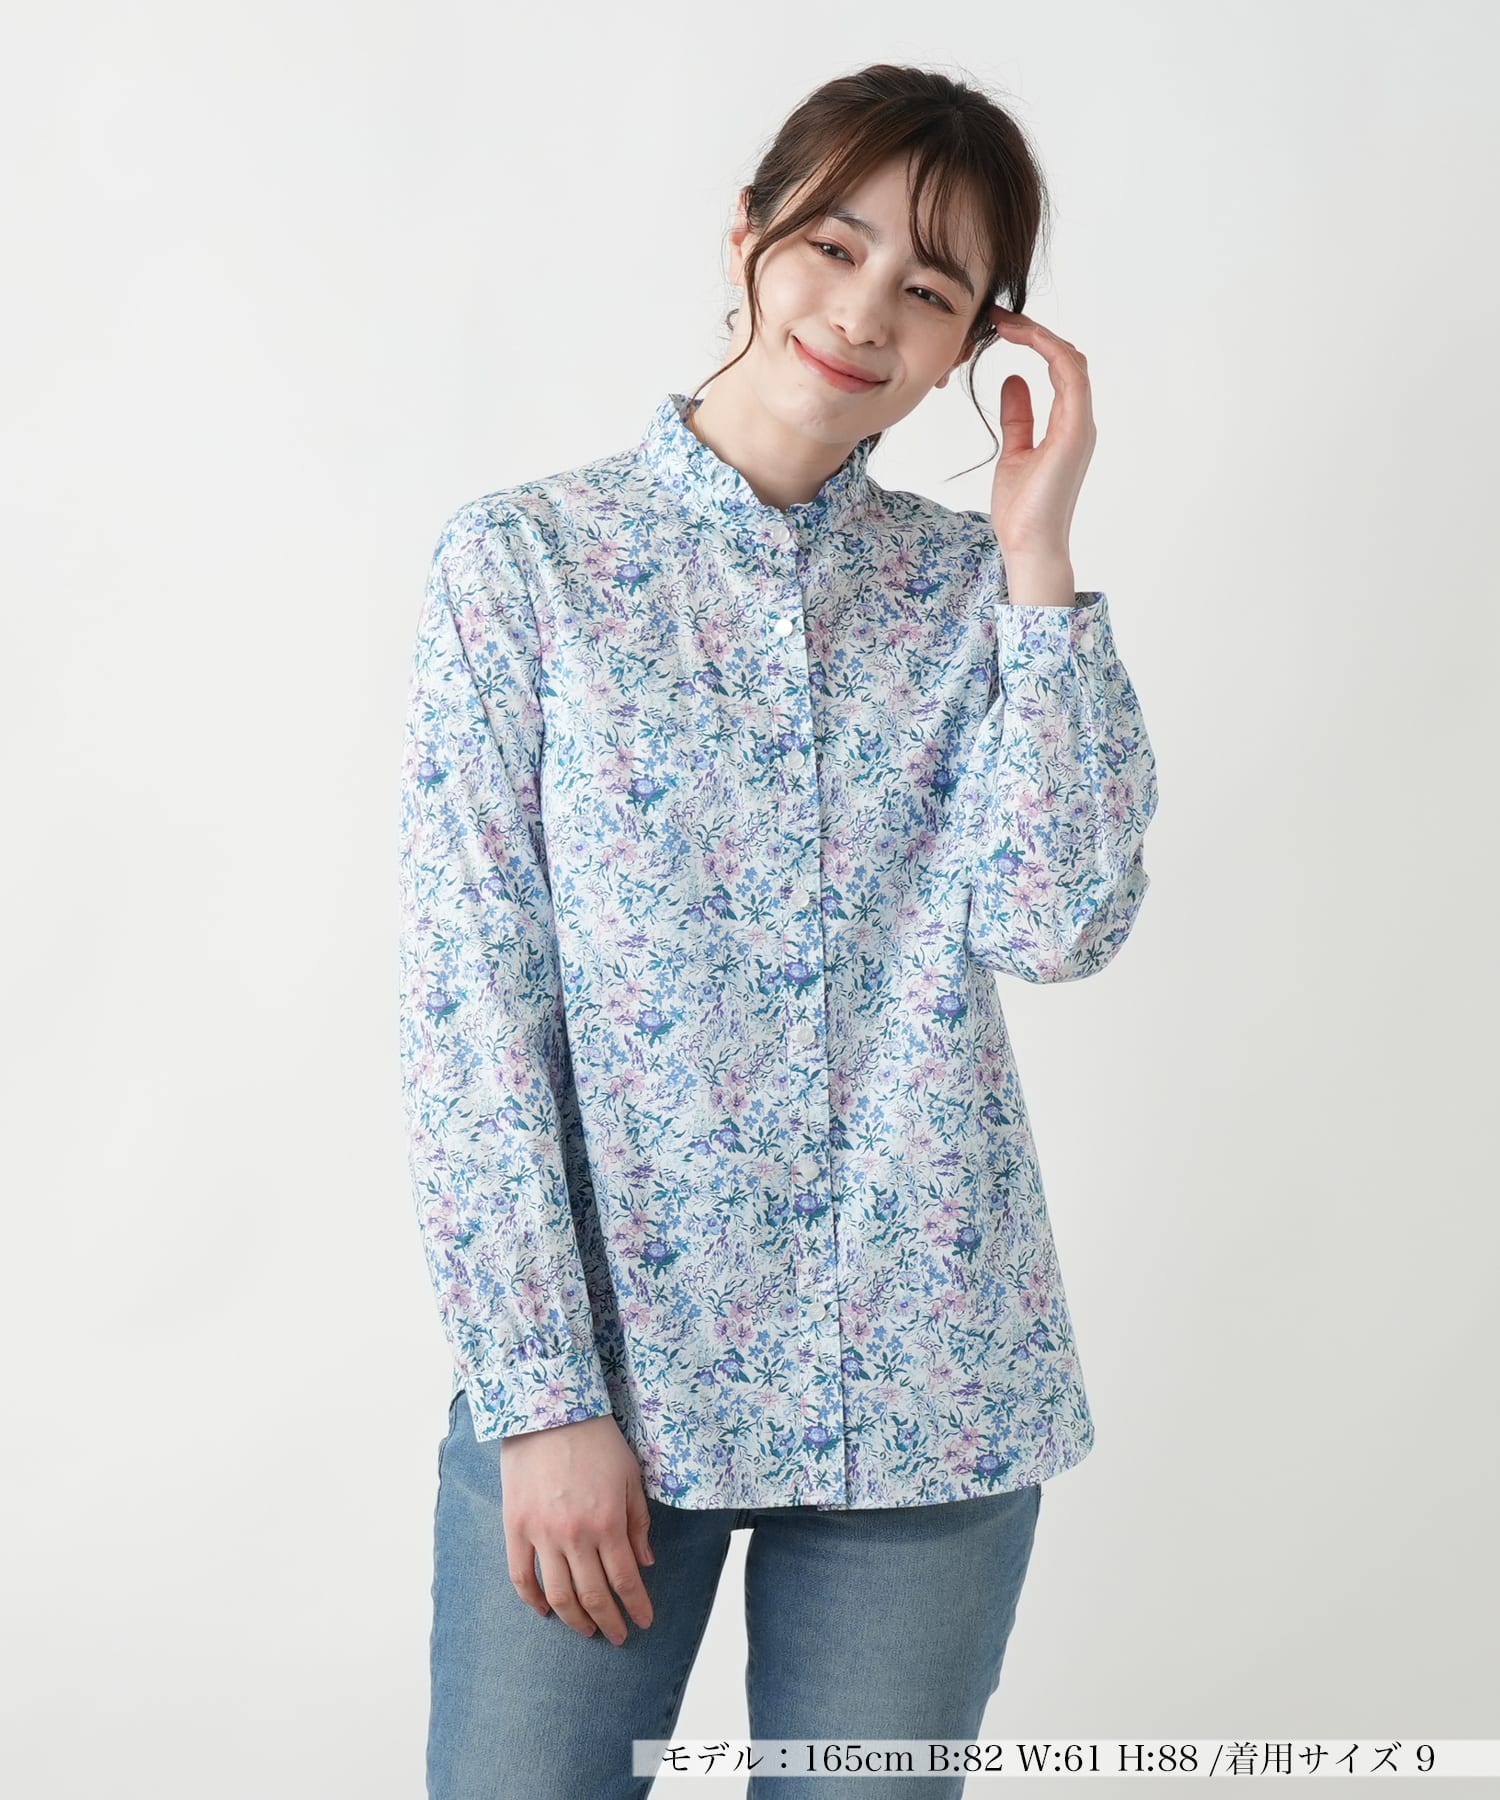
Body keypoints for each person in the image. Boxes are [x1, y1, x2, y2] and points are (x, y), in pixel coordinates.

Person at [398, 61, 1159, 1800]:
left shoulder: (975, 594)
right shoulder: (525, 567)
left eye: (932, 289)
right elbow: (469, 1012)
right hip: (609, 1394)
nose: (867, 309)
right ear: (746, 238)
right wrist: (542, 1400)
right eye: (834, 244)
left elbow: (1057, 923)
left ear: (974, 346)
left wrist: (1040, 557)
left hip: (931, 1392)